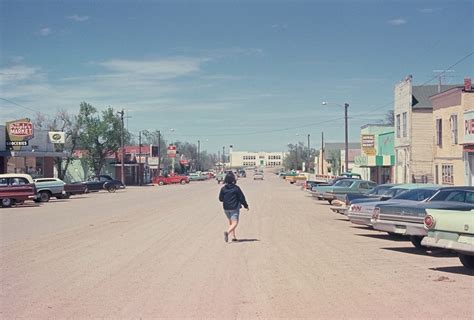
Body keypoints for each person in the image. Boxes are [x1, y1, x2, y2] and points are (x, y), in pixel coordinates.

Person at [218, 172, 249, 242]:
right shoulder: (236, 188)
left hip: (226, 208)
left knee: (231, 222)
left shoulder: (223, 189)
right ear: (233, 179)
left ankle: (233, 237)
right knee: (235, 223)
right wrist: (246, 206)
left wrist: (226, 199)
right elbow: (242, 198)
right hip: (234, 208)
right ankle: (227, 232)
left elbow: (220, 199)